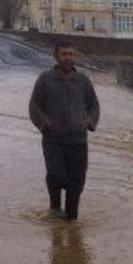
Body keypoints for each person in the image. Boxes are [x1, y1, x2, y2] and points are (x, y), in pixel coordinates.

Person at [29, 41, 100, 221]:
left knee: (76, 185)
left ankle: (71, 223)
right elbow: (34, 106)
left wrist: (89, 123)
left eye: (70, 54)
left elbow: (94, 106)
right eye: (63, 54)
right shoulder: (45, 79)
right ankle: (54, 209)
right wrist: (44, 124)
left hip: (78, 141)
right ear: (56, 56)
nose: (67, 58)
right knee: (56, 175)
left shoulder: (83, 81)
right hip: (53, 140)